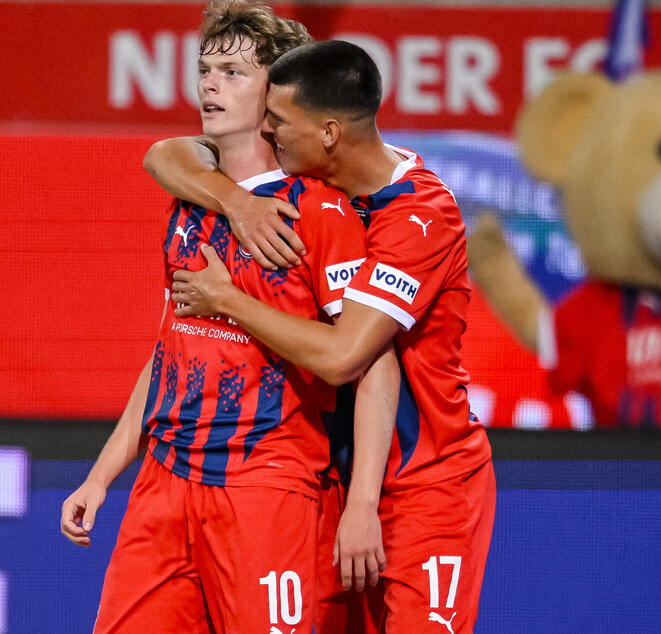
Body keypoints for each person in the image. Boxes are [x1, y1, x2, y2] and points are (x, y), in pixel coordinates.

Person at [61, 5, 396, 632]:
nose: (210, 84)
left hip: (266, 488)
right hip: (164, 484)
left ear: (276, 92)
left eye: (234, 72)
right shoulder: (192, 201)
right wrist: (102, 476)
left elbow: (374, 364)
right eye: (205, 69)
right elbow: (171, 349)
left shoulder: (320, 214)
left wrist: (363, 504)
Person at [153, 40, 496, 633]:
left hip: (423, 485)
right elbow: (165, 154)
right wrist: (234, 201)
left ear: (330, 132)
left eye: (278, 121)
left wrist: (224, 299)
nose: (265, 131)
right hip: (331, 483)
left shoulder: (420, 217)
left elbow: (345, 358)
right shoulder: (322, 194)